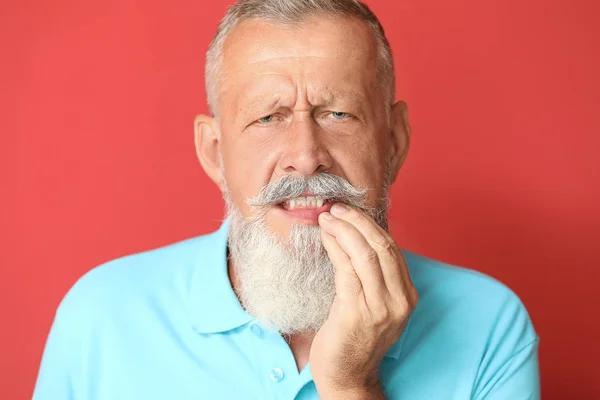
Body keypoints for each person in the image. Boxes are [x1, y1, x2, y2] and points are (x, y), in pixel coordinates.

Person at [33, 0, 540, 399]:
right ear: (214, 152)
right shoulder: (100, 317)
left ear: (394, 144)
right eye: (267, 117)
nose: (305, 156)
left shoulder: (490, 325)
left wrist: (350, 386)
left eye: (338, 114)